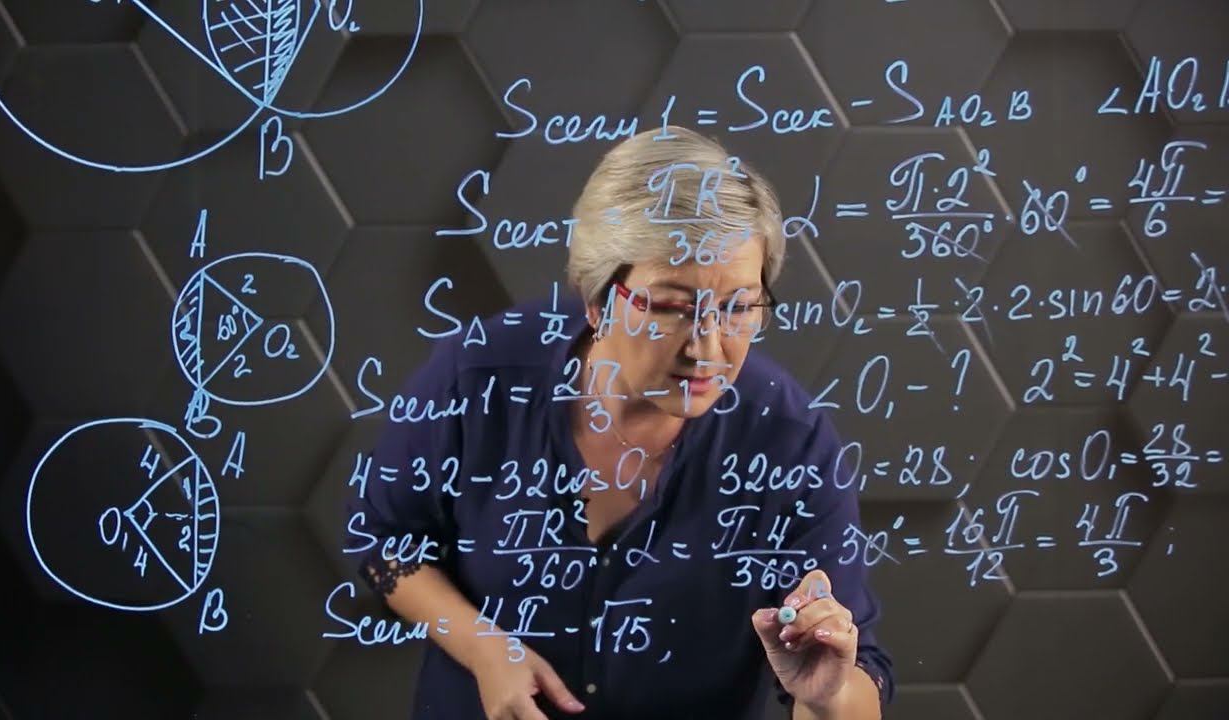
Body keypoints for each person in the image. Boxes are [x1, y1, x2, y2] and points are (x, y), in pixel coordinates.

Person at [345, 126, 895, 719]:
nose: (707, 348)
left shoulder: (791, 441)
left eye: (738, 307)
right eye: (671, 307)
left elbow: (856, 674)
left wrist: (826, 697)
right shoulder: (478, 374)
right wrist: (484, 648)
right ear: (597, 298)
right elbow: (384, 540)